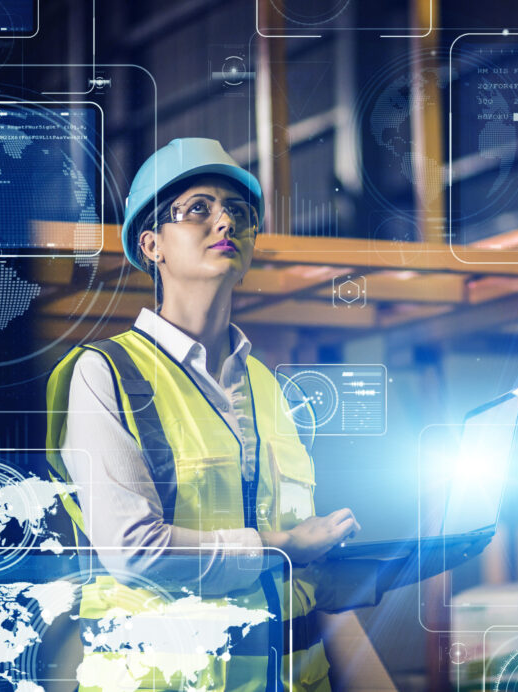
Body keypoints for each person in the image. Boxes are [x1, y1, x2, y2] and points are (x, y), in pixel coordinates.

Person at [45, 138, 391, 691]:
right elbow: (135, 551)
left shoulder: (268, 389)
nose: (225, 220)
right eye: (199, 208)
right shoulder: (105, 374)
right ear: (152, 243)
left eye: (239, 212)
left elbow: (309, 577)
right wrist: (281, 546)